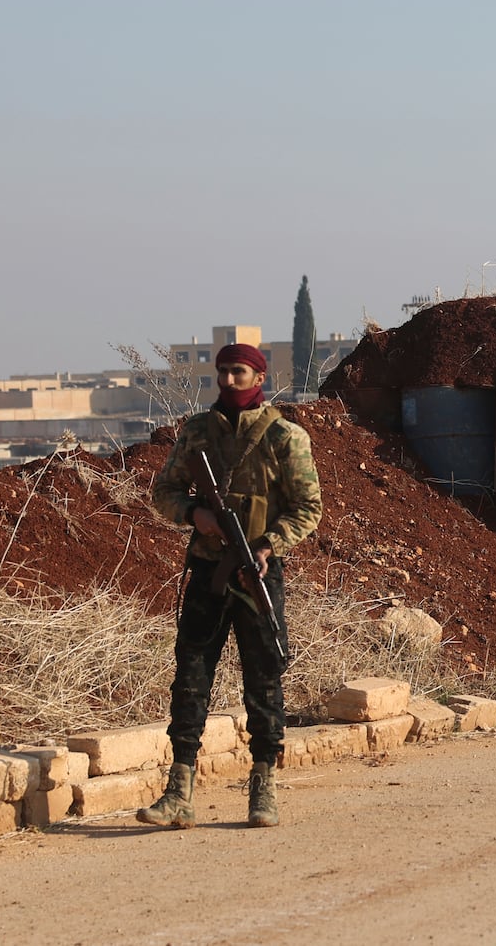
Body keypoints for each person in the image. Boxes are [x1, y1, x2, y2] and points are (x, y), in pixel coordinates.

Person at [139, 344, 322, 829]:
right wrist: (196, 515)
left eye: (237, 372)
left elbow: (308, 507)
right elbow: (164, 492)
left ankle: (263, 785)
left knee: (263, 676)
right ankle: (179, 789)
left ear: (258, 376)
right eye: (221, 372)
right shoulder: (198, 432)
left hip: (258, 571)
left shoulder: (285, 437)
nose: (227, 380)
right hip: (207, 572)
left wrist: (267, 546)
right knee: (191, 675)